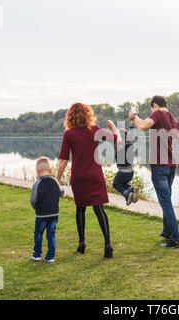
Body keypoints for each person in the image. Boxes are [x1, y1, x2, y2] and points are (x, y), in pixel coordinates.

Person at [56, 102, 121, 259]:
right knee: (99, 209)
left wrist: (56, 179)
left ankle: (82, 243)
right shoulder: (95, 130)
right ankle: (108, 245)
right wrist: (113, 126)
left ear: (70, 117)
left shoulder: (69, 134)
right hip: (95, 175)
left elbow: (63, 160)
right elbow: (117, 140)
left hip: (79, 176)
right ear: (88, 115)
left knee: (80, 209)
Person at [129, 95, 179, 249]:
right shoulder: (173, 119)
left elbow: (142, 126)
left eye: (151, 108)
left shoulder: (157, 113)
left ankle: (175, 239)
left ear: (155, 105)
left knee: (165, 202)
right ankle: (167, 232)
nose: (151, 112)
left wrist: (134, 115)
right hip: (172, 166)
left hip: (160, 166)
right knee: (166, 199)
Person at [30, 157, 64, 263]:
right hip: (54, 213)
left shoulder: (37, 184)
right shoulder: (55, 181)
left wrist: (36, 207)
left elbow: (33, 200)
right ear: (50, 170)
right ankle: (50, 256)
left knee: (38, 233)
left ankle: (37, 254)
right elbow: (61, 192)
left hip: (41, 214)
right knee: (51, 234)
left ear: (37, 171)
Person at [112, 116, 139, 205]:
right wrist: (132, 122)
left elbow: (113, 137)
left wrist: (112, 128)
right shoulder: (130, 143)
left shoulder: (117, 146)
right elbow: (131, 131)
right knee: (122, 184)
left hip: (122, 173)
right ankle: (131, 189)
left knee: (116, 184)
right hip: (130, 172)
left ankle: (127, 194)